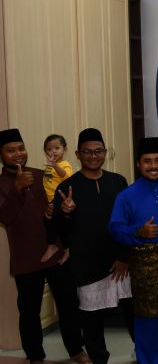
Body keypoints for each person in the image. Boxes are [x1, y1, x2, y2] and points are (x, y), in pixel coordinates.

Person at [0, 128, 89, 364]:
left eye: (21, 148)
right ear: (1, 155)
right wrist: (17, 187)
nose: (18, 154)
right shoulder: (2, 184)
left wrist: (68, 218)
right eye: (10, 150)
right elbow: (5, 217)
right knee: (29, 310)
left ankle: (76, 350)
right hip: (26, 258)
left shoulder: (43, 174)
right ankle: (35, 356)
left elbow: (60, 212)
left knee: (68, 304)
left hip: (56, 253)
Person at [55, 128, 134, 364]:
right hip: (87, 265)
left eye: (98, 151)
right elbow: (59, 229)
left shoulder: (118, 181)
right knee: (92, 321)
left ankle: (144, 353)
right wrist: (65, 212)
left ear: (105, 153)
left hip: (119, 263)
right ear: (78, 154)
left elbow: (128, 222)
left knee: (134, 313)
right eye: (87, 152)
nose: (93, 156)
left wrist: (124, 257)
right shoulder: (67, 187)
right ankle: (99, 359)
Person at [109, 137, 158, 364]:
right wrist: (138, 232)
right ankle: (146, 359)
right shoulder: (126, 195)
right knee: (147, 318)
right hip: (144, 266)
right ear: (138, 164)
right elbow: (115, 229)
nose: (154, 166)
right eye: (147, 161)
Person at [41, 134, 72, 262]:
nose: (53, 151)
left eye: (57, 148)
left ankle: (55, 246)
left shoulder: (65, 164)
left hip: (59, 198)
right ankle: (64, 248)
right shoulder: (49, 166)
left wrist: (55, 165)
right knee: (56, 224)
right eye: (49, 149)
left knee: (51, 221)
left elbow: (65, 175)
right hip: (50, 199)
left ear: (64, 149)